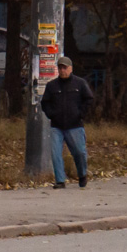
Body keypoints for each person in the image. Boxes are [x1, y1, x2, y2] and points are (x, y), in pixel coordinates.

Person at [41, 56, 94, 189]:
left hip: (75, 125)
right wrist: (51, 114)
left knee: (79, 152)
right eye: (60, 68)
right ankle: (60, 180)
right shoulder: (52, 86)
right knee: (56, 152)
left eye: (65, 68)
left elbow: (89, 100)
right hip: (57, 126)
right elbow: (45, 103)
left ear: (70, 69)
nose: (62, 70)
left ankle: (82, 174)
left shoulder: (80, 84)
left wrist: (80, 114)